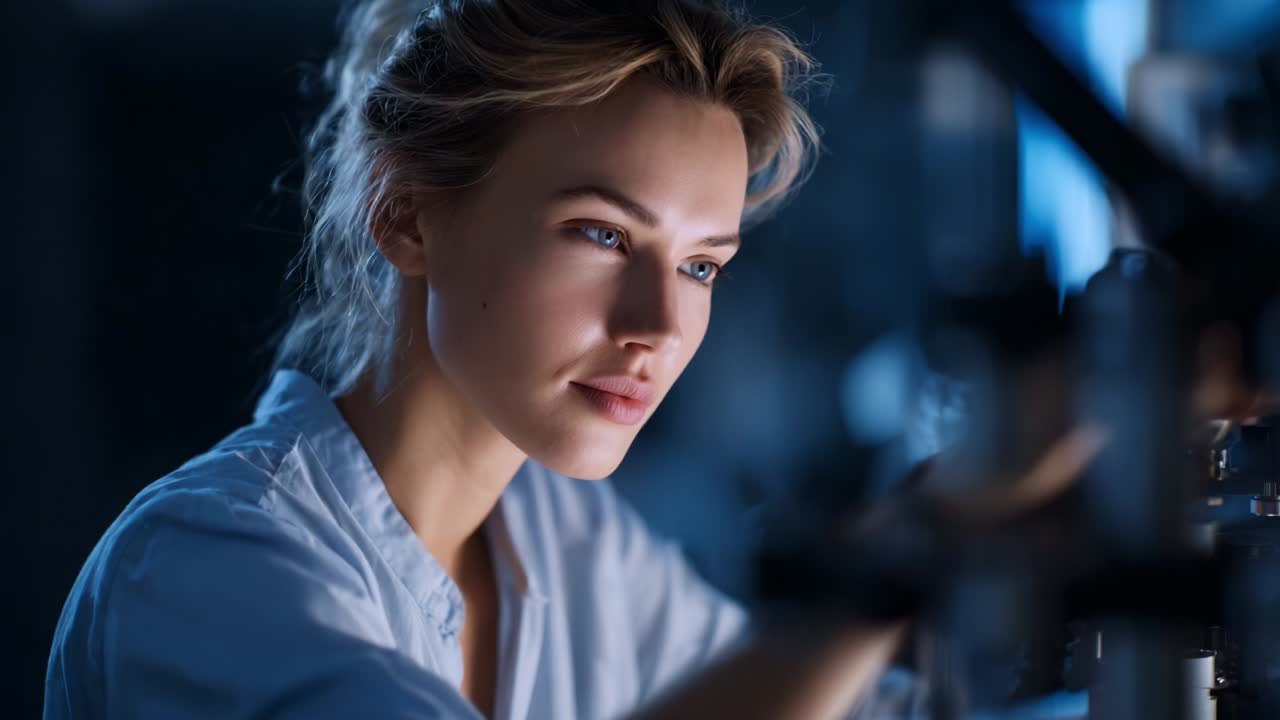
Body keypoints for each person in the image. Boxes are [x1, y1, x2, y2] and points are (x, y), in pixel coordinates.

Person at [44, 1, 906, 718]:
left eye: (700, 266)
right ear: (407, 216)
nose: (661, 326)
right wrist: (886, 587)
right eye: (602, 234)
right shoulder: (203, 569)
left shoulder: (571, 541)